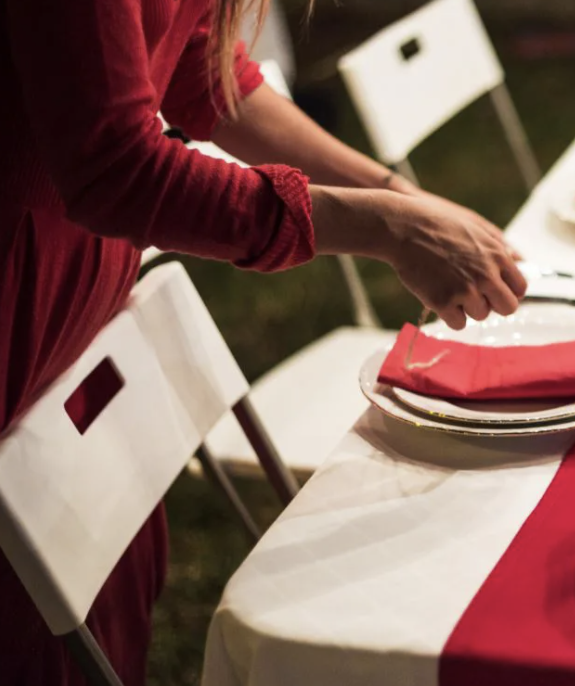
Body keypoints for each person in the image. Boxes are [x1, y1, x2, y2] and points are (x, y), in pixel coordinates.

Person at [0, 0, 526, 682]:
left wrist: (397, 196)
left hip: (77, 316)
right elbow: (117, 168)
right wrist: (386, 227)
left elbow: (205, 68)